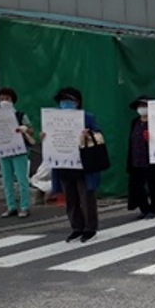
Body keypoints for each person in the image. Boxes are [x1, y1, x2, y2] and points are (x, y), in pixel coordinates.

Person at [46, 87, 103, 242]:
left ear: (77, 102)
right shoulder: (53, 119)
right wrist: (45, 137)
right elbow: (50, 138)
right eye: (63, 101)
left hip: (83, 164)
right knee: (70, 198)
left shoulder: (87, 117)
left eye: (69, 101)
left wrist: (88, 136)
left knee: (86, 197)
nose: (65, 104)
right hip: (64, 163)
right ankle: (76, 227)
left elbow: (99, 136)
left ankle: (90, 227)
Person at [0, 87, 34, 218]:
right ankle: (11, 206)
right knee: (6, 179)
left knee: (21, 179)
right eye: (1, 99)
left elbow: (31, 130)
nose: (4, 101)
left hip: (19, 151)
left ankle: (24, 207)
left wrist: (24, 129)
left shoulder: (20, 115)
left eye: (7, 98)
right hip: (3, 151)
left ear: (13, 101)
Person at [126, 95, 155, 219]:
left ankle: (154, 208)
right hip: (136, 158)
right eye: (140, 106)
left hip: (151, 158)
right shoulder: (135, 122)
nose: (142, 108)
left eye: (145, 106)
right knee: (137, 185)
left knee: (153, 184)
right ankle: (144, 208)